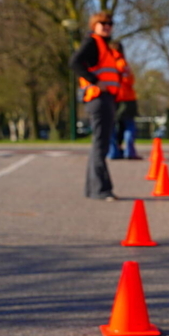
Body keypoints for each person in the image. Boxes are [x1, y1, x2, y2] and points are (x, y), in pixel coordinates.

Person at [70, 10, 123, 200]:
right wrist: (94, 80)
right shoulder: (92, 42)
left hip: (105, 98)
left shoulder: (105, 46)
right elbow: (75, 62)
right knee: (100, 146)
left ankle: (94, 189)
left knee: (99, 146)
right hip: (99, 98)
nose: (107, 27)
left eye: (110, 24)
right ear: (94, 26)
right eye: (103, 24)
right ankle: (101, 190)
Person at [108, 41, 140, 160]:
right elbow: (130, 80)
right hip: (127, 98)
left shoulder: (107, 63)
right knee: (129, 125)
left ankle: (113, 151)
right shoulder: (122, 63)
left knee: (111, 126)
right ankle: (129, 151)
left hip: (112, 97)